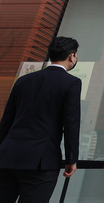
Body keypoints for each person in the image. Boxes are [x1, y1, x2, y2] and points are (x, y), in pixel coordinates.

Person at [0, 37, 81, 203]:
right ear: (72, 56)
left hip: (7, 157)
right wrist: (71, 159)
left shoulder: (23, 80)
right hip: (41, 162)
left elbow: (7, 120)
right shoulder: (71, 83)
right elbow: (71, 124)